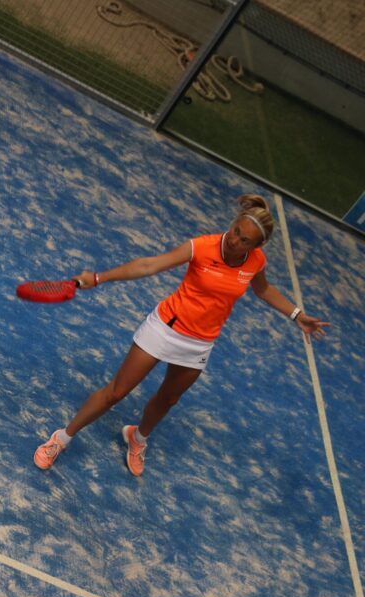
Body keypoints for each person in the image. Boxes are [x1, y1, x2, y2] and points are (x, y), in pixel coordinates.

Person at [34, 194, 329, 478]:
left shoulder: (256, 261)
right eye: (235, 231)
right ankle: (61, 438)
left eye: (244, 240)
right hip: (166, 328)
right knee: (116, 392)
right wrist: (99, 278)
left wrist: (296, 314)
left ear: (257, 245)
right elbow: (149, 265)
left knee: (169, 398)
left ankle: (138, 438)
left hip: (199, 343)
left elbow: (263, 289)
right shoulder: (202, 246)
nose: (235, 240)